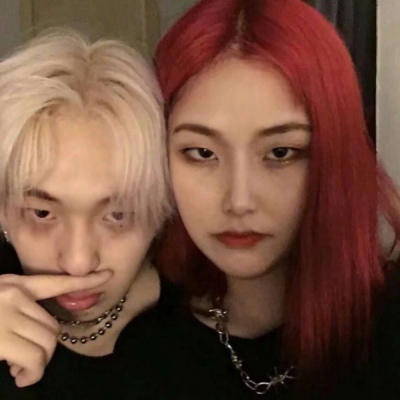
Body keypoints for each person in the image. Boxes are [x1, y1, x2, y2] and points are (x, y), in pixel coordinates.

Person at [154, 0, 400, 398]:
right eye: (202, 153)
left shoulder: (387, 332)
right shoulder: (138, 337)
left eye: (281, 153)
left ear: (333, 156)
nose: (239, 201)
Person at [0, 29, 177, 399]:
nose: (78, 264)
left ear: (160, 212)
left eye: (118, 215)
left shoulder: (212, 337)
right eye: (42, 213)